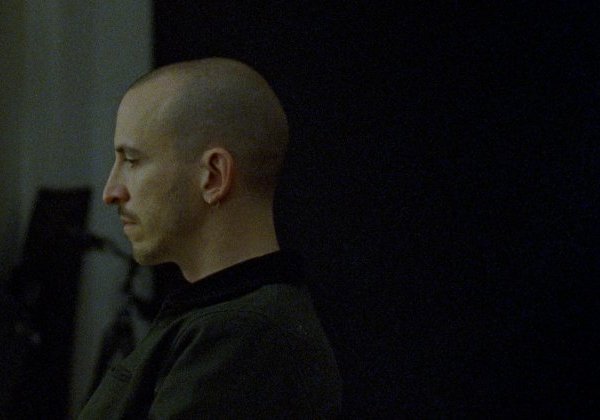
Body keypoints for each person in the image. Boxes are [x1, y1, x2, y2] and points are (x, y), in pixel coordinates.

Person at [78, 58, 342, 418]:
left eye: (132, 160)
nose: (111, 191)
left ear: (213, 176)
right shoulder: (231, 324)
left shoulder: (244, 338)